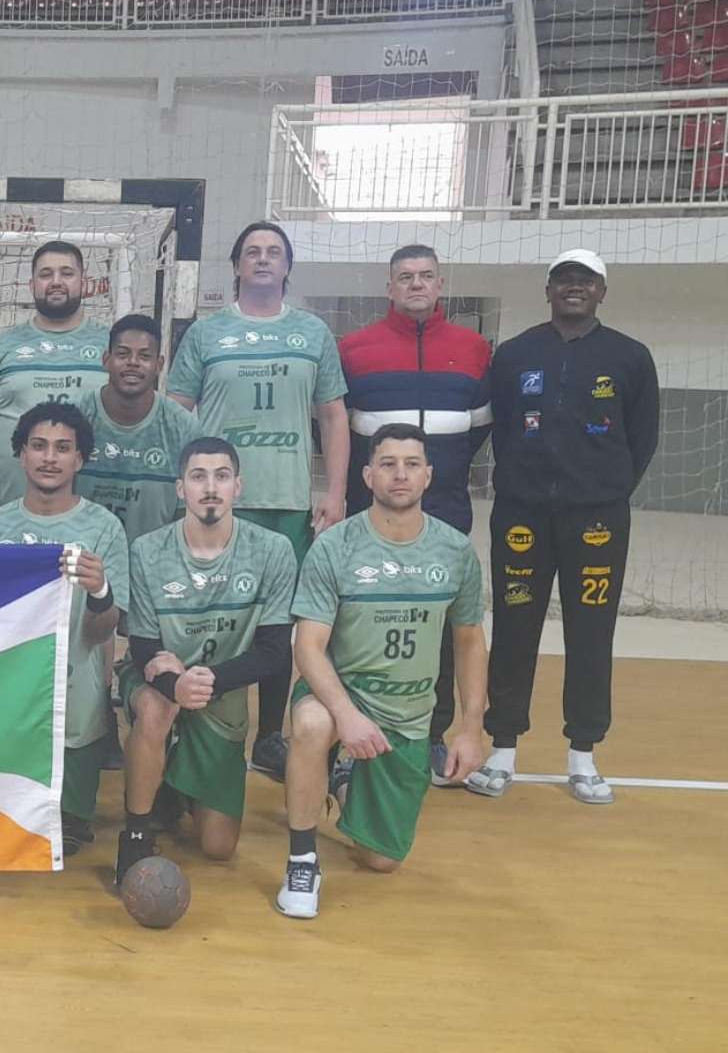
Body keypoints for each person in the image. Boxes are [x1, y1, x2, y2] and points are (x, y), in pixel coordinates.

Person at [467, 251, 659, 806]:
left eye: (586, 280)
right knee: (515, 626)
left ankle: (583, 755)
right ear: (548, 290)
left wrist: (605, 487)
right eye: (564, 280)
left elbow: (640, 438)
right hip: (521, 514)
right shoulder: (515, 354)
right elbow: (500, 426)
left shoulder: (630, 356)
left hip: (597, 517)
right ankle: (502, 748)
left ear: (602, 291)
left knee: (591, 632)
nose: (574, 287)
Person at [276, 425, 487, 920]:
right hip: (341, 693)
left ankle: (346, 778)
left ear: (428, 476)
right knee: (312, 725)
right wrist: (345, 715)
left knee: (382, 860)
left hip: (409, 712)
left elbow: (470, 640)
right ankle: (302, 860)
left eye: (412, 464)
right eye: (388, 464)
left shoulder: (454, 551)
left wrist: (471, 728)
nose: (400, 474)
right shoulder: (335, 547)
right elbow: (307, 647)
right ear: (367, 475)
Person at [166, 221, 349, 782]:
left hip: (285, 499)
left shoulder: (313, 332)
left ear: (288, 266)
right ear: (237, 267)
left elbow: (333, 414)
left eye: (274, 252)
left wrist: (335, 491)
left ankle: (270, 733)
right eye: (252, 252)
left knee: (275, 624)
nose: (263, 260)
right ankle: (188, 720)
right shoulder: (206, 332)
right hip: (216, 501)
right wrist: (189, 488)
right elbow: (177, 406)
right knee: (205, 612)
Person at [338, 245, 492, 784]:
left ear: (440, 283)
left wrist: (440, 474)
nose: (416, 284)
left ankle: (431, 733)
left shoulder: (474, 349)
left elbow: (478, 427)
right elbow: (336, 426)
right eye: (405, 277)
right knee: (363, 616)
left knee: (442, 620)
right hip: (370, 508)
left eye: (426, 276)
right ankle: (348, 727)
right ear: (389, 287)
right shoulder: (354, 349)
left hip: (445, 504)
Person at [113, 437, 297, 883]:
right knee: (156, 711)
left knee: (218, 847)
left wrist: (206, 680)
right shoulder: (147, 550)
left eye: (221, 476)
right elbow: (141, 644)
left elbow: (275, 651)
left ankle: (174, 786)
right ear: (181, 489)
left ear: (239, 486)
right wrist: (173, 684)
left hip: (221, 689)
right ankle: (135, 837)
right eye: (198, 476)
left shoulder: (273, 551)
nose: (210, 487)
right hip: (158, 681)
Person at [0, 401, 130, 883]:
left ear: (80, 460)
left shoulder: (103, 528)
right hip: (4, 685)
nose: (49, 458)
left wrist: (99, 592)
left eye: (64, 449)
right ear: (20, 454)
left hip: (72, 685)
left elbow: (104, 632)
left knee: (65, 832)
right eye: (38, 446)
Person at [0, 240, 110, 526]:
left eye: (66, 273)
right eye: (45, 274)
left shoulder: (110, 345)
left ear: (84, 282)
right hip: (12, 514)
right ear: (32, 284)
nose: (56, 282)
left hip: (88, 517)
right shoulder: (4, 345)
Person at [74, 313, 201, 549]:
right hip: (84, 558)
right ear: (105, 360)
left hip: (155, 563)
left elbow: (192, 515)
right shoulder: (76, 418)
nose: (133, 362)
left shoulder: (183, 427)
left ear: (159, 365)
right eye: (123, 354)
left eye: (144, 356)